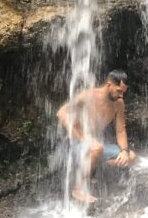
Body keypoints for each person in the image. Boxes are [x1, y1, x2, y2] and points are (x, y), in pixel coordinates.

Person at [56, 70, 138, 203]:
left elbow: (120, 131)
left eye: (123, 92)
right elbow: (61, 113)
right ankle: (78, 189)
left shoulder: (119, 104)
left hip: (96, 144)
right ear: (109, 85)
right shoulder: (87, 96)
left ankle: (95, 166)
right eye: (118, 91)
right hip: (74, 143)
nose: (121, 95)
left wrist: (124, 151)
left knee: (132, 157)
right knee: (97, 148)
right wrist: (83, 138)